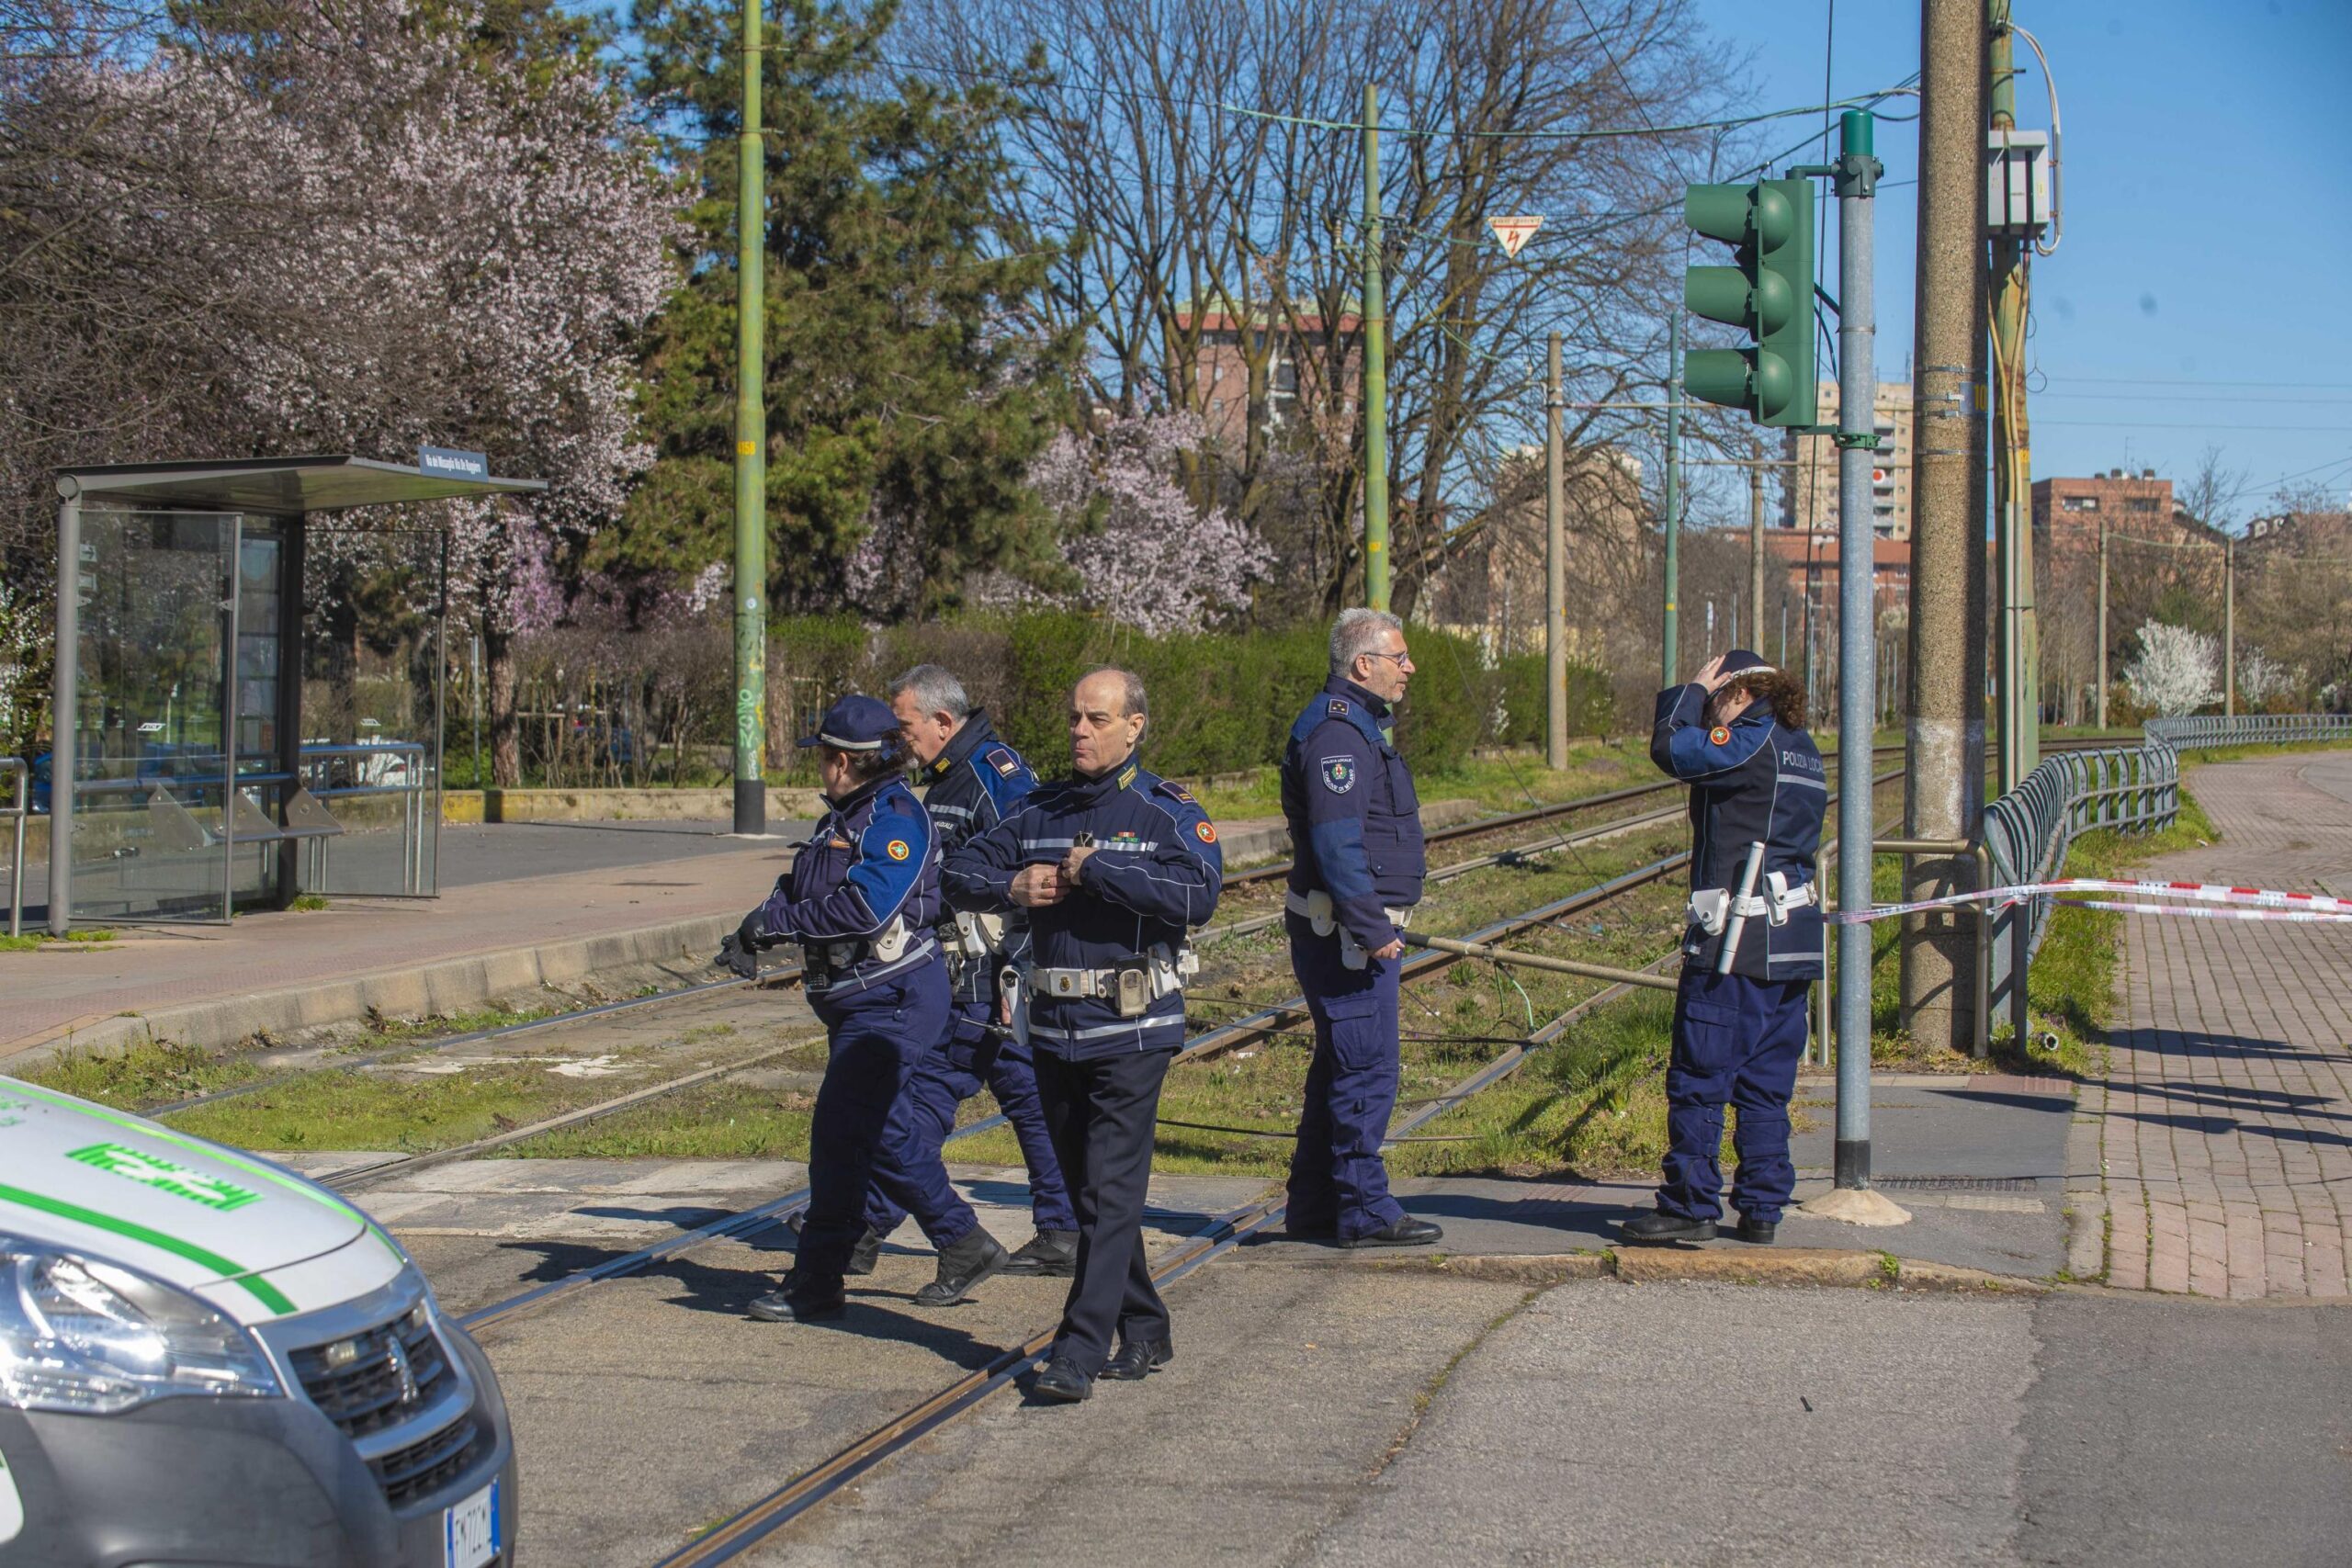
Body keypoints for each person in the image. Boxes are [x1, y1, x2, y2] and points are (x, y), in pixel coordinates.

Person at [943, 668, 1221, 1403]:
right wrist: (1013, 887)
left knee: (1109, 1187)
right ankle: (1146, 1323)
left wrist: (1101, 872)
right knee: (1091, 1193)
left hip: (1134, 1028)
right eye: (1074, 718)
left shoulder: (1165, 811)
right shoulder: (1039, 809)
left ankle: (1078, 1346)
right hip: (1056, 1030)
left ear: (1135, 726)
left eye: (1097, 719)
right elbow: (957, 869)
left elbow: (1199, 893)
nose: (1080, 731)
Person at [841, 664, 1077, 1300]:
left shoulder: (996, 779)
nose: (899, 740)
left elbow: (1034, 872)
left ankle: (866, 1230)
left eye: (905, 727)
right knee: (1024, 1092)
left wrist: (1015, 978)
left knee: (922, 1095)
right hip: (967, 969)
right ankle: (1063, 1228)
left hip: (988, 973)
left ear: (944, 723)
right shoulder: (951, 776)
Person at [716, 695, 952, 1322]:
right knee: (868, 1133)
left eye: (823, 756)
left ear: (845, 762)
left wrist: (780, 923)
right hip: (859, 1003)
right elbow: (801, 885)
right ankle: (961, 1240)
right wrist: (756, 925)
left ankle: (819, 1281)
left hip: (894, 1000)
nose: (819, 768)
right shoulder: (843, 818)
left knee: (840, 1138)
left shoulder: (894, 816)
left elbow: (866, 908)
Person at [1623, 649, 1826, 1247]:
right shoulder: (1803, 745)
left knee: (1700, 1075)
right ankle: (1762, 1206)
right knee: (1766, 1085)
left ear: (1737, 693)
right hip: (1792, 945)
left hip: (1739, 942)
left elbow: (1673, 749)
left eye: (1717, 702)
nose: (1714, 713)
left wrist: (1688, 692)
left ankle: (1690, 1202)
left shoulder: (1750, 738)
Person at [1279, 609, 1444, 1249]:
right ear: (1362, 664)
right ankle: (1364, 1208)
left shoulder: (1356, 727)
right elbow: (1337, 841)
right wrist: (1372, 926)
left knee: (1340, 1066)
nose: (1410, 668)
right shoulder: (1341, 735)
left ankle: (1317, 1204)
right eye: (1398, 657)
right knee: (1365, 1068)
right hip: (1346, 939)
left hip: (1347, 932)